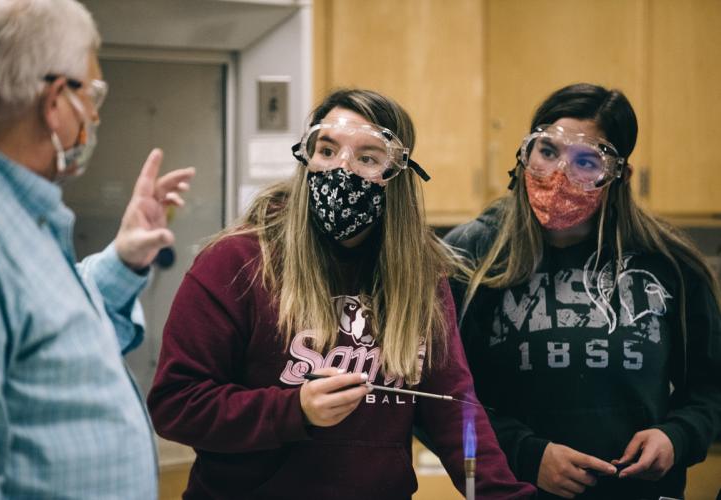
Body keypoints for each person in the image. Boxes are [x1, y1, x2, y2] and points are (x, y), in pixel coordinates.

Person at [147, 88, 536, 499]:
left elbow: (453, 408)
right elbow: (176, 404)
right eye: (327, 150)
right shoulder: (237, 261)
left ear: (398, 175)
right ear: (307, 155)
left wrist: (501, 493)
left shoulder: (419, 276)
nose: (341, 169)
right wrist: (293, 411)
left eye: (367, 158)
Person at [444, 82, 721, 499]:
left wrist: (677, 437)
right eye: (548, 151)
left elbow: (711, 388)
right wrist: (525, 454)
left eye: (587, 161)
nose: (559, 174)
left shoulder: (670, 264)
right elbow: (442, 400)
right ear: (524, 155)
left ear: (619, 176)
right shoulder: (473, 256)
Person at [0, 0, 195, 498]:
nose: (94, 114)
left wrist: (124, 257)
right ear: (54, 101)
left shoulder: (18, 213)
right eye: (92, 94)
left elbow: (46, 332)